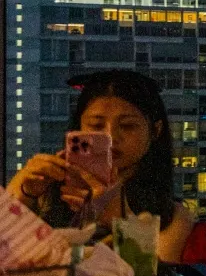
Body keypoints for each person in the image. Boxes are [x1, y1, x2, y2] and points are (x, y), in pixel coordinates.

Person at [5, 69, 195, 261]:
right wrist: (23, 194)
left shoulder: (173, 217)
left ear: (155, 131)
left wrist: (119, 219)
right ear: (79, 128)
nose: (111, 136)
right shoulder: (44, 192)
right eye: (96, 126)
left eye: (128, 126)